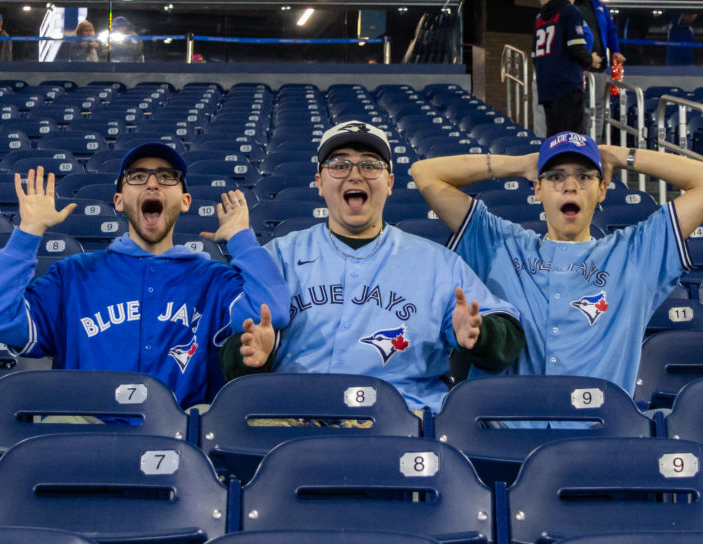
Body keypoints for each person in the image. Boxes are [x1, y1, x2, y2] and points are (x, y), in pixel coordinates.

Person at [220, 121, 525, 413]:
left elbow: (505, 335)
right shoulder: (279, 256)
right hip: (293, 415)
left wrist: (481, 334)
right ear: (320, 183)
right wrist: (251, 354)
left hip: (403, 419)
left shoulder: (436, 262)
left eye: (370, 165)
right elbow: (236, 350)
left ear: (389, 182)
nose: (355, 175)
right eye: (339, 165)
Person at [411, 132, 703, 398]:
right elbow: (426, 173)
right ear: (537, 188)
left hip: (596, 434)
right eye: (555, 176)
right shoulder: (500, 243)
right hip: (502, 427)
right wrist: (521, 164)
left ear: (602, 189)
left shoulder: (634, 255)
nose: (570, 186)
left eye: (585, 176)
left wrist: (618, 156)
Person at [0, 143, 291, 409]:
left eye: (166, 177)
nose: (152, 184)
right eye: (138, 177)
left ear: (184, 202)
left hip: (181, 438)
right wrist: (28, 232)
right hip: (87, 433)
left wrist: (241, 238)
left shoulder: (213, 279)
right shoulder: (72, 276)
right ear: (118, 200)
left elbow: (271, 310)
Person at [533, 0, 602, 136]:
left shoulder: (540, 17)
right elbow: (576, 47)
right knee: (572, 139)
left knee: (554, 140)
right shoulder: (570, 11)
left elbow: (534, 57)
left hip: (547, 88)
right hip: (567, 85)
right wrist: (590, 60)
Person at [574, 0, 625, 142]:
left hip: (599, 69)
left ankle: (594, 143)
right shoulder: (569, 6)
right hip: (578, 68)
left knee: (598, 109)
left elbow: (611, 30)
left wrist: (615, 51)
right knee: (578, 108)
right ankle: (578, 143)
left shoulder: (599, 6)